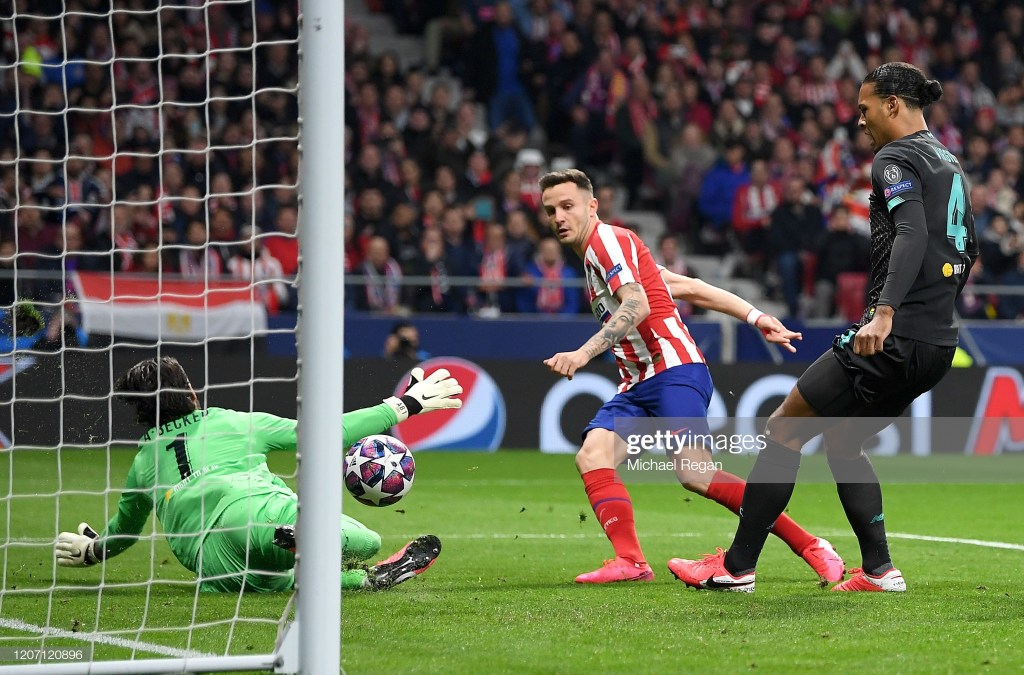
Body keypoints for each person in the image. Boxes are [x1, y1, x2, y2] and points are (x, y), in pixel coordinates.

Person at [668, 62, 978, 593]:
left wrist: (884, 312)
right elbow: (965, 249)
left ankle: (737, 566)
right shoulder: (949, 162)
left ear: (893, 105)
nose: (859, 121)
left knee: (784, 426)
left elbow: (909, 234)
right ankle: (879, 571)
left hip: (895, 333)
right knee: (842, 441)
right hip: (937, 341)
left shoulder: (895, 158)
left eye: (864, 109)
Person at [539, 169, 845, 585]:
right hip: (637, 383)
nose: (558, 216)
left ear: (592, 206)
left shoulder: (606, 241)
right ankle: (630, 562)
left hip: (673, 369)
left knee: (695, 473)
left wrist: (582, 353)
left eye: (567, 205)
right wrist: (756, 316)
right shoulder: (608, 254)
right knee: (593, 456)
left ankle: (811, 545)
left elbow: (638, 305)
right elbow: (688, 286)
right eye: (550, 209)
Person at [55, 356, 463, 592]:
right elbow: (324, 433)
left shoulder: (143, 462)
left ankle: (362, 581)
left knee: (274, 583)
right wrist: (403, 405)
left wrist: (93, 551)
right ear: (190, 393)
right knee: (364, 541)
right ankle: (310, 544)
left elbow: (125, 530)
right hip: (252, 513)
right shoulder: (230, 422)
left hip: (211, 564)